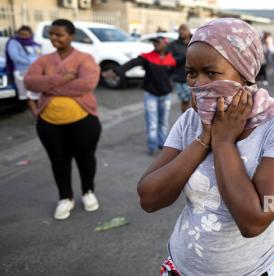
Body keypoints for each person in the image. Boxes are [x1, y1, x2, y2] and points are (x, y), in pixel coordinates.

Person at [137, 18, 274, 275]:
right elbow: (149, 198)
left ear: (245, 71)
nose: (198, 84)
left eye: (211, 72)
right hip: (182, 265)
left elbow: (253, 221)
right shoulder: (191, 121)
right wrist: (205, 138)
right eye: (191, 73)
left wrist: (224, 141)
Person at [24, 19, 101, 220]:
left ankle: (87, 192)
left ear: (71, 36)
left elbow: (86, 84)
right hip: (49, 123)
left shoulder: (85, 58)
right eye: (52, 34)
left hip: (84, 120)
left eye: (59, 34)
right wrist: (64, 79)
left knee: (85, 158)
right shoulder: (43, 60)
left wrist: (47, 84)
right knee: (58, 161)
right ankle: (65, 197)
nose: (54, 38)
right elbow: (29, 82)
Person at [103, 37, 176, 155]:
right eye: (154, 42)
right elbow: (131, 63)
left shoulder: (172, 59)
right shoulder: (147, 57)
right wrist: (115, 72)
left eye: (158, 42)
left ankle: (162, 144)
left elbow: (174, 72)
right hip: (151, 94)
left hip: (165, 95)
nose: (155, 44)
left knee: (163, 122)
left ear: (165, 44)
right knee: (152, 123)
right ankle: (152, 147)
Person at [5, 25, 41, 115]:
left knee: (37, 94)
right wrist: (31, 61)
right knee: (29, 95)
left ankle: (40, 114)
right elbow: (15, 56)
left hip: (36, 71)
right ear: (18, 34)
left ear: (30, 34)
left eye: (26, 34)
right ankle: (36, 115)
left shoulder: (34, 44)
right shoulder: (13, 42)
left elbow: (40, 55)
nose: (24, 36)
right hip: (22, 72)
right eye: (21, 34)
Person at [167, 24, 192, 113]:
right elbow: (170, 60)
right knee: (185, 101)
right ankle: (185, 121)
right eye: (180, 30)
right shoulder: (173, 45)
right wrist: (184, 56)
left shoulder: (196, 41)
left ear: (189, 31)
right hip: (181, 78)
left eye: (184, 29)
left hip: (196, 77)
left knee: (196, 102)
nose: (181, 31)